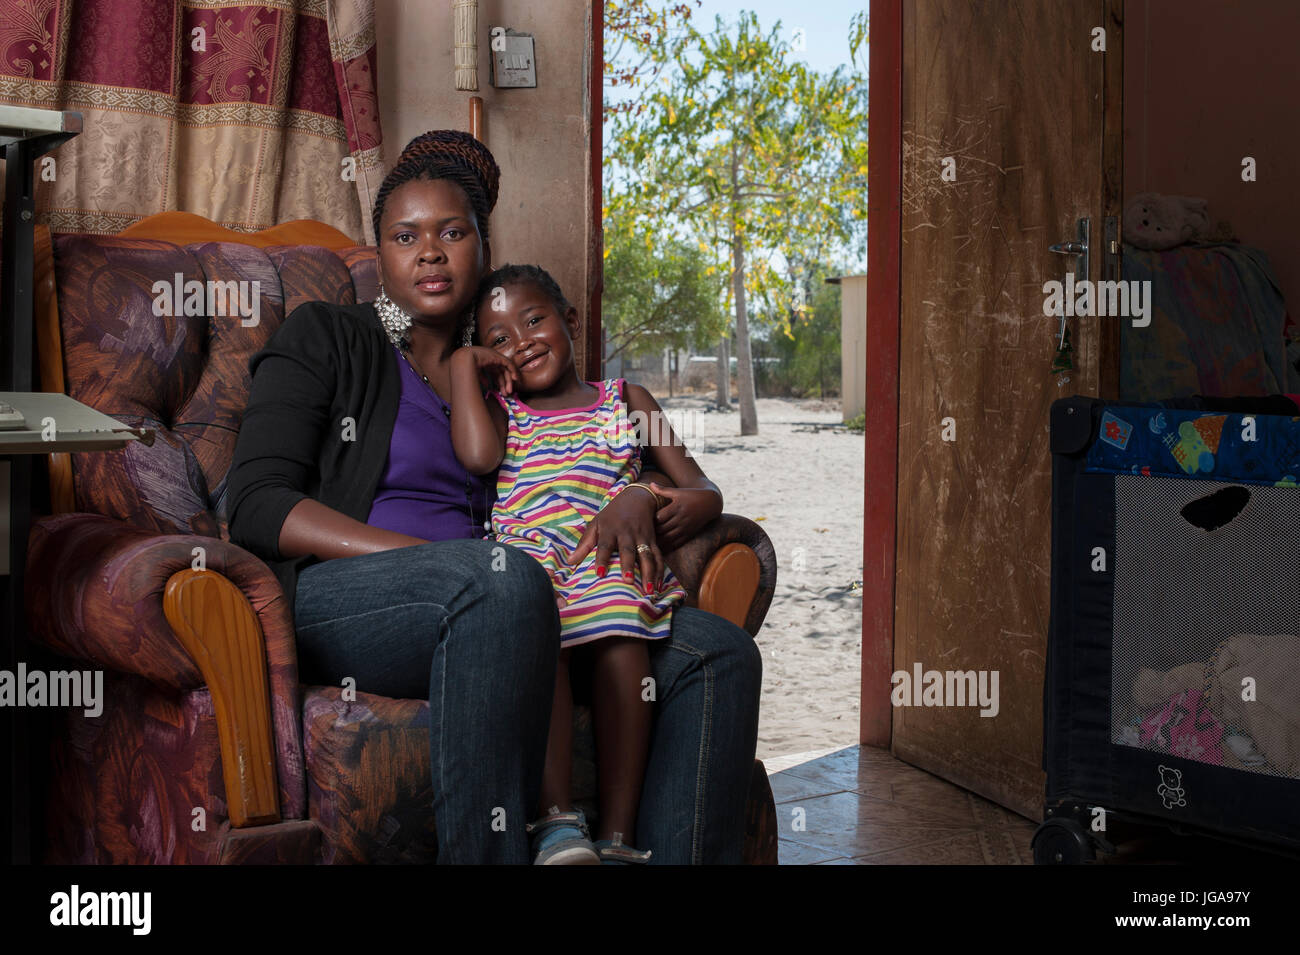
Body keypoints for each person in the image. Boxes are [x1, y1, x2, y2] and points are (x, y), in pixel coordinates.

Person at [226, 129, 762, 864]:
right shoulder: (332, 335)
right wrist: (434, 561)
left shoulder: (511, 378)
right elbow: (255, 503)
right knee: (499, 582)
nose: (430, 252)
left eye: (453, 232)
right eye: (404, 236)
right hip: (354, 599)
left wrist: (641, 488)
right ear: (379, 254)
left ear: (482, 246)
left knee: (719, 654)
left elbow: (588, 464)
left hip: (518, 596)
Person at [449, 264, 725, 863]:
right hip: (531, 560)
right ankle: (556, 823)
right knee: (533, 623)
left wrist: (644, 497)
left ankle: (620, 838)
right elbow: (474, 456)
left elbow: (703, 491)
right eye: (498, 339)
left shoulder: (626, 401)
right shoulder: (503, 411)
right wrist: (462, 368)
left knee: (623, 636)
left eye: (534, 319)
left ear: (570, 319)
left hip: (604, 555)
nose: (520, 342)